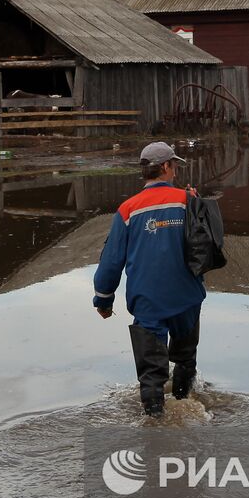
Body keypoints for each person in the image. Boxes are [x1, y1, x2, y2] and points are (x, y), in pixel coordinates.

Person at [93, 141, 206, 418]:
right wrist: (196, 204)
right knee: (185, 360)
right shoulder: (188, 201)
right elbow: (208, 248)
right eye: (174, 166)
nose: (176, 172)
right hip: (187, 299)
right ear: (165, 167)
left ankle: (154, 424)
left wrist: (103, 300)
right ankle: (184, 404)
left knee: (151, 375)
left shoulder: (128, 210)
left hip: (148, 302)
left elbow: (111, 261)